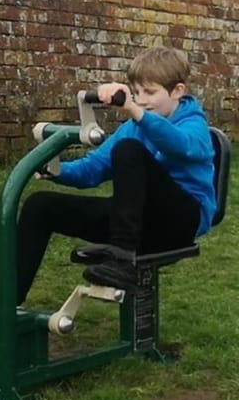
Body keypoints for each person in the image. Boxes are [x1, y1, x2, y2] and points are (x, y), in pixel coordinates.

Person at [16, 46, 217, 304]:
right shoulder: (133, 128)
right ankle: (8, 305)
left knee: (129, 150)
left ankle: (121, 261)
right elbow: (93, 168)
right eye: (136, 93)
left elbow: (181, 145)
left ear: (178, 91)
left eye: (150, 92)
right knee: (40, 206)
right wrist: (56, 170)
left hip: (180, 222)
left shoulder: (194, 125)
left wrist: (135, 111)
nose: (141, 99)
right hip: (136, 223)